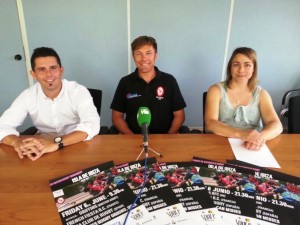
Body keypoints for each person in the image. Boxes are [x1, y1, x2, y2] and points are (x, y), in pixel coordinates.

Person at [0, 47, 100, 161]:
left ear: (61, 70)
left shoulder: (78, 91)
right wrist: (16, 142)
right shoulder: (28, 96)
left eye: (53, 68)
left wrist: (56, 143)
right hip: (43, 148)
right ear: (33, 74)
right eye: (42, 69)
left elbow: (92, 125)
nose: (49, 74)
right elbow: (2, 126)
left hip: (77, 144)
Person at [205, 47, 282, 150]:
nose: (241, 70)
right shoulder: (215, 90)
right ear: (230, 68)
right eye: (236, 65)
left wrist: (258, 138)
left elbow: (277, 125)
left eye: (247, 65)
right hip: (221, 142)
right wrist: (241, 134)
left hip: (252, 145)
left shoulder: (262, 94)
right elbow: (210, 122)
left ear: (254, 69)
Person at [110, 36, 186, 134]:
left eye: (148, 53)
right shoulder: (125, 82)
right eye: (138, 54)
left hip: (165, 140)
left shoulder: (169, 80)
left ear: (155, 55)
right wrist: (130, 137)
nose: (144, 58)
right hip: (133, 140)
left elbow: (179, 115)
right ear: (133, 57)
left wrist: (169, 137)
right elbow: (117, 116)